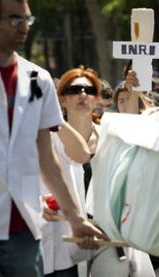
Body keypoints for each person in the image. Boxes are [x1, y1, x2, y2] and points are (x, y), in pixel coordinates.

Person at [0, 1, 106, 276]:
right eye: (14, 20)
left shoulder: (39, 79)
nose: (24, 28)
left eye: (27, 20)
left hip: (24, 229)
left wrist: (76, 218)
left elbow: (47, 157)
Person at [41, 66, 103, 276]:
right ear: (62, 99)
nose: (82, 95)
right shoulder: (45, 134)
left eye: (89, 90)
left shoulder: (110, 137)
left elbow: (81, 155)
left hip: (101, 236)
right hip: (47, 242)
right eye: (73, 90)